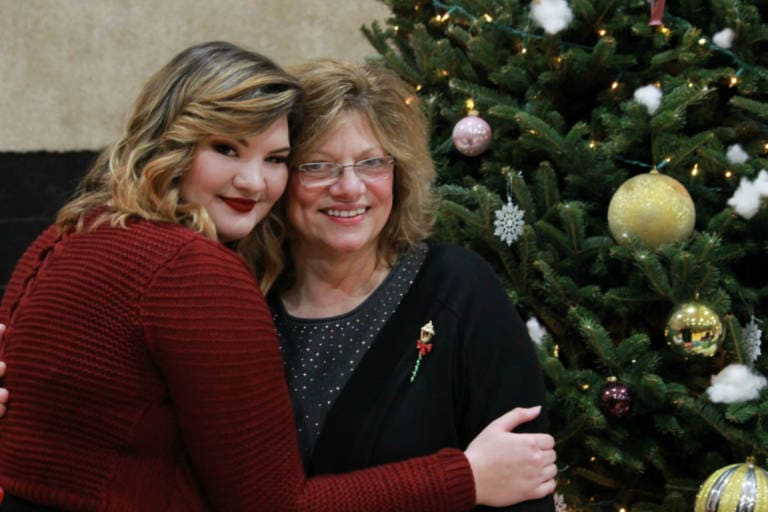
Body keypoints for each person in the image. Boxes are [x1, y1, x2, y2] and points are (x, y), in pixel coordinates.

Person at [0, 41, 552, 511]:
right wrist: (463, 478)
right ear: (170, 144)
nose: (254, 181)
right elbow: (273, 505)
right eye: (316, 165)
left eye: (275, 158)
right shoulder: (206, 275)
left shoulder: (69, 232)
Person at [242, 59, 558, 511]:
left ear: (400, 172)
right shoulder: (244, 302)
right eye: (318, 166)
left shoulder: (458, 290)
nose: (350, 188)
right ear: (280, 178)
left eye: (372, 162)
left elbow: (525, 483)